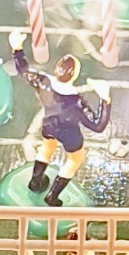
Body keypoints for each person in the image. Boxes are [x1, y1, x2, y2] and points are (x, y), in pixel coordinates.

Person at [8, 28, 111, 206]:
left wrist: (17, 49)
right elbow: (97, 126)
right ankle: (52, 196)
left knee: (46, 148)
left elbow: (24, 71)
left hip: (49, 125)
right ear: (74, 75)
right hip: (69, 134)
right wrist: (105, 100)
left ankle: (35, 182)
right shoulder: (76, 102)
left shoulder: (43, 81)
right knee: (74, 160)